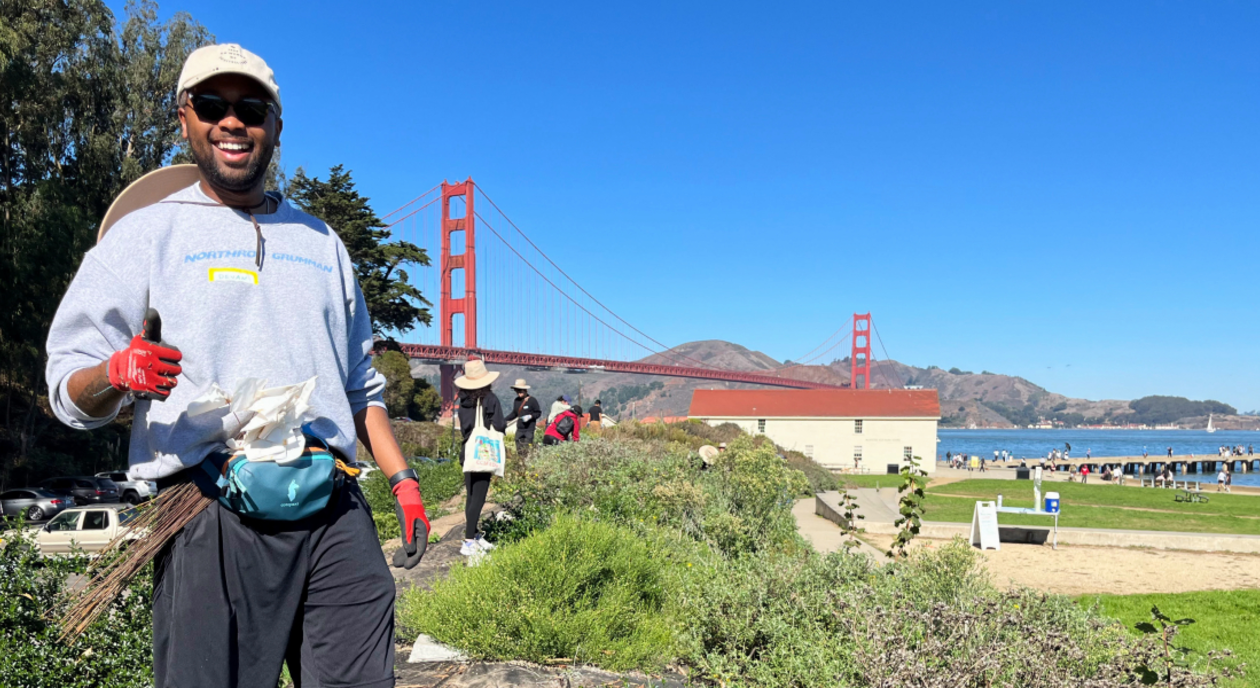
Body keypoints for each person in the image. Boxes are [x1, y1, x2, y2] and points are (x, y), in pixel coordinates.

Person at [43, 44, 422, 688]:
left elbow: (361, 387)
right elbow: (66, 390)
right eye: (212, 104)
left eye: (251, 109)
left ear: (276, 126)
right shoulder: (144, 235)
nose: (232, 121)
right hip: (206, 508)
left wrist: (404, 482)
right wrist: (115, 373)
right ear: (184, 118)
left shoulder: (324, 244)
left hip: (332, 504)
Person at [454, 360, 507, 560]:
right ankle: (469, 542)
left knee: (470, 496)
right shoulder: (490, 399)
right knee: (479, 498)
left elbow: (465, 427)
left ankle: (474, 535)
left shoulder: (462, 401)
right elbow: (499, 424)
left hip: (468, 452)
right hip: (483, 453)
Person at [504, 378, 541, 461]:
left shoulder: (532, 400)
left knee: (527, 448)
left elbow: (538, 413)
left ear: (525, 390)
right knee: (519, 448)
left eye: (520, 391)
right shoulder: (516, 401)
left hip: (529, 429)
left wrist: (530, 416)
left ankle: (527, 462)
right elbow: (514, 413)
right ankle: (520, 462)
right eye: (517, 391)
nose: (519, 393)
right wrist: (504, 419)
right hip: (520, 429)